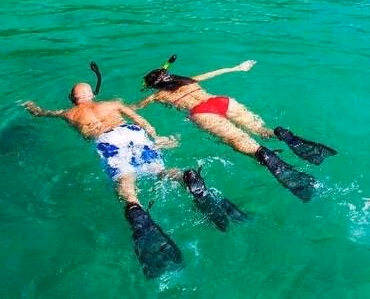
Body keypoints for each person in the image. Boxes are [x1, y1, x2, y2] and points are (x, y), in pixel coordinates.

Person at [23, 65, 247, 278]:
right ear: (92, 94)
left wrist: (32, 107)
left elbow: (42, 112)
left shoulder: (68, 113)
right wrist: (156, 136)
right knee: (159, 170)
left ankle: (135, 208)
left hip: (107, 141)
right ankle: (184, 177)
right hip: (132, 133)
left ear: (73, 99)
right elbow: (139, 118)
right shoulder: (112, 104)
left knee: (125, 181)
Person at [137, 56, 337, 202]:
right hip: (221, 101)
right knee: (261, 131)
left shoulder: (157, 96)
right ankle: (279, 134)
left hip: (202, 112)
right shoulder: (189, 80)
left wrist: (131, 104)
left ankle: (265, 155)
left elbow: (135, 108)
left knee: (241, 142)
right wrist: (238, 67)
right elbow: (215, 72)